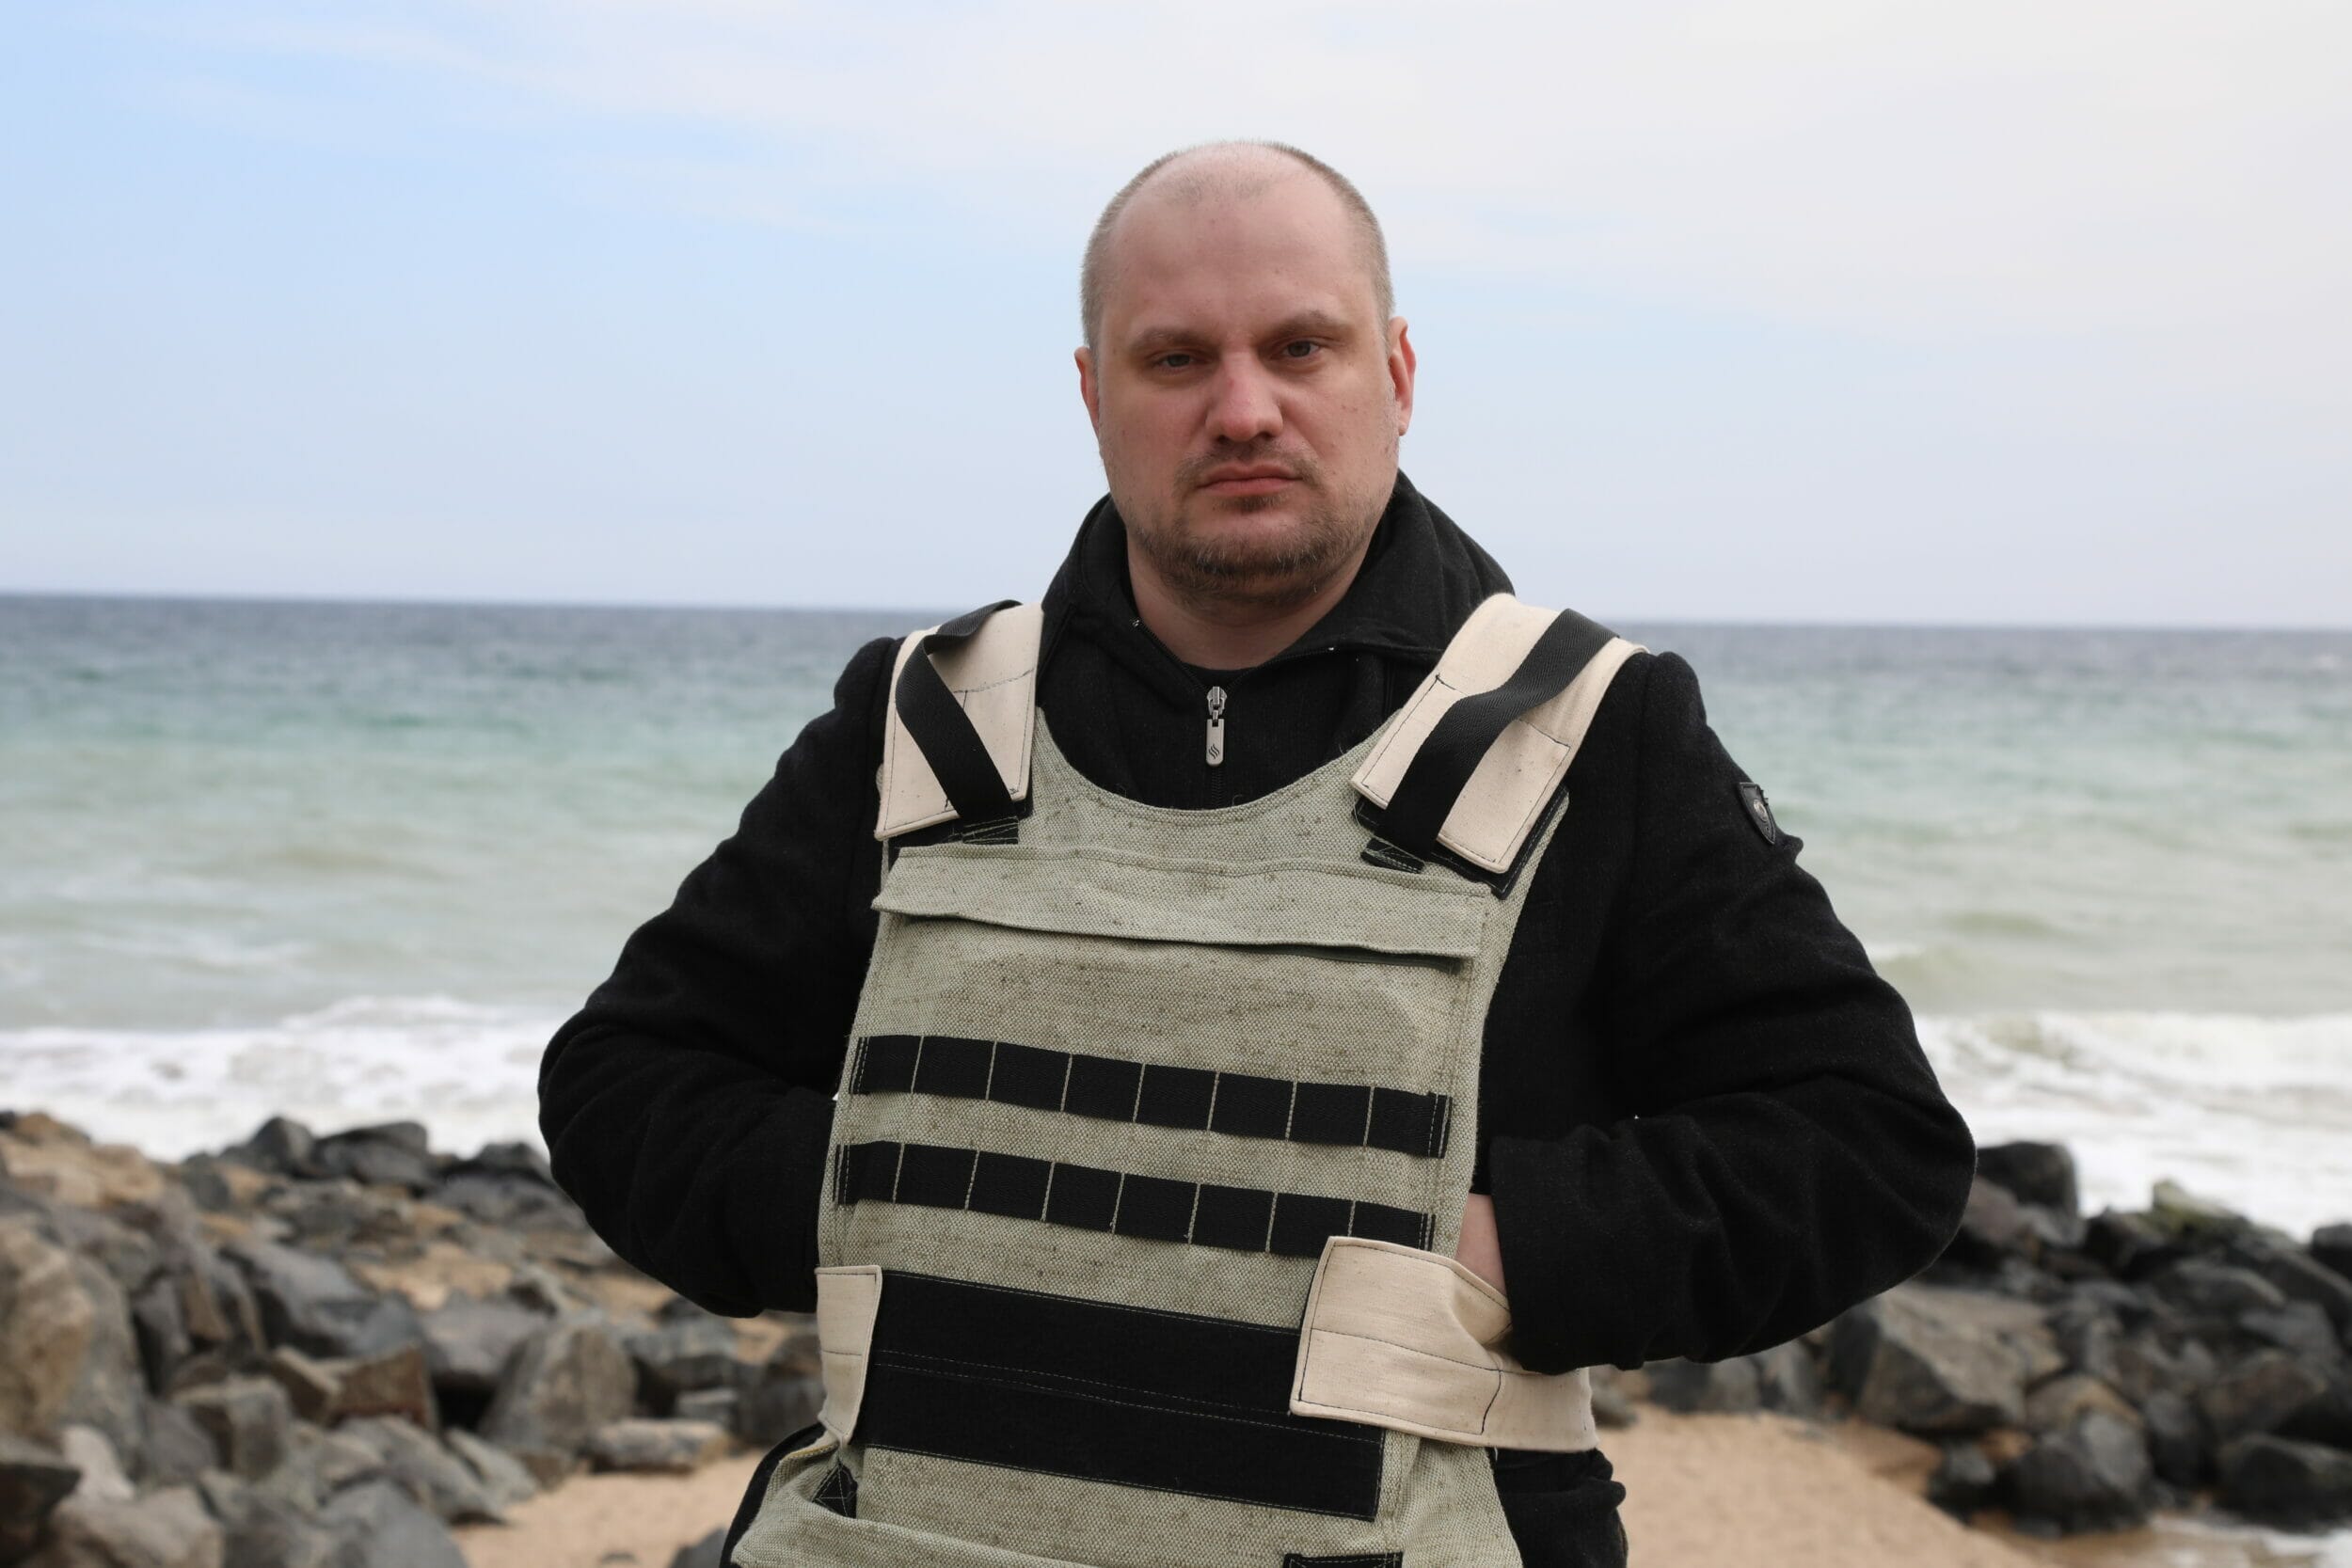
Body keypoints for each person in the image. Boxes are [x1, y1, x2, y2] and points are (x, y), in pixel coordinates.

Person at [541, 141, 1976, 1568]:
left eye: (1303, 347)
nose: (1245, 409)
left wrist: (1495, 1253)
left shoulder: (1587, 732)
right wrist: (909, 1212)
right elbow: (623, 1083)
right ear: (1094, 396)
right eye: (1176, 361)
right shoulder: (926, 726)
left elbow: (1867, 1144)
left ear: (1398, 376)